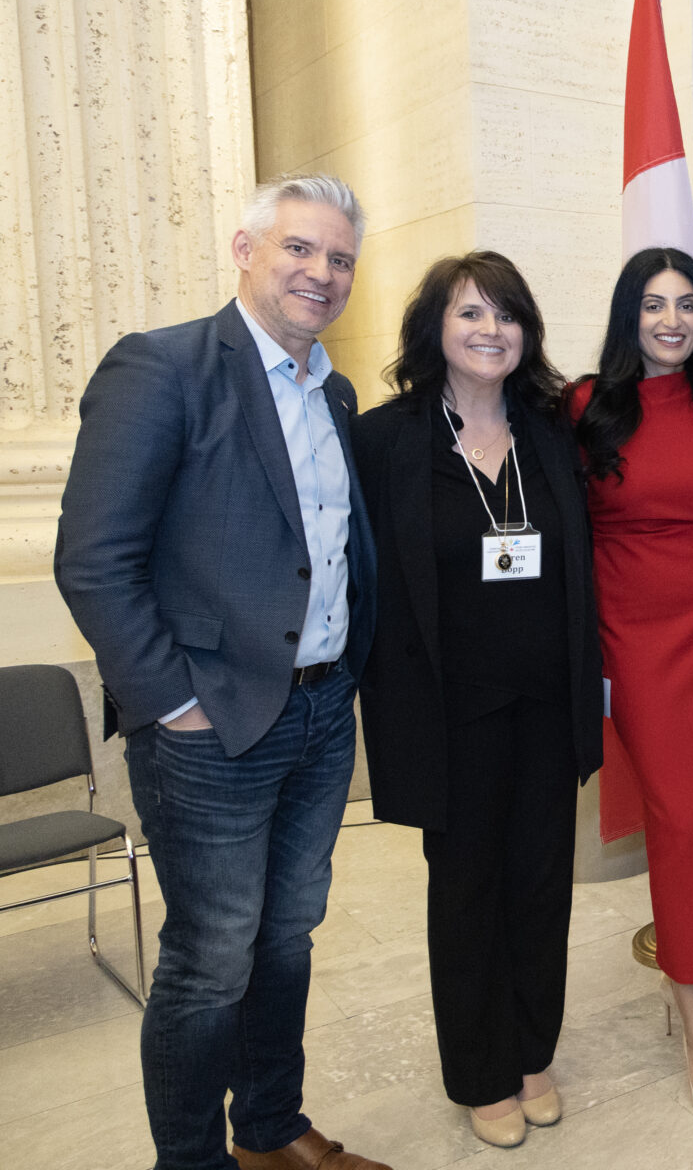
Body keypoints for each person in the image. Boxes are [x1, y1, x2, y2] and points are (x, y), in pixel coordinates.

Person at [54, 174, 391, 1170]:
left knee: (288, 934)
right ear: (245, 250)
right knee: (210, 957)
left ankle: (273, 1128)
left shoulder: (335, 389)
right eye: (299, 248)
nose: (319, 272)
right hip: (208, 725)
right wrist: (172, 704)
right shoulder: (161, 368)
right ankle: (192, 1157)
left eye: (338, 258)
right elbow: (95, 559)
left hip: (324, 711)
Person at [351, 253, 603, 1147]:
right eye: (470, 314)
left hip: (546, 702)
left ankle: (534, 1051)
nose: (491, 331)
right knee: (466, 892)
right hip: (446, 713)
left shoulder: (550, 433)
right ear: (436, 330)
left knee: (541, 885)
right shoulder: (387, 440)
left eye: (507, 315)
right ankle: (481, 1072)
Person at [570, 247, 693, 1128]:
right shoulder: (584, 407)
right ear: (627, 315)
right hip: (632, 642)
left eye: (686, 304)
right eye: (653, 304)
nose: (671, 319)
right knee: (680, 818)